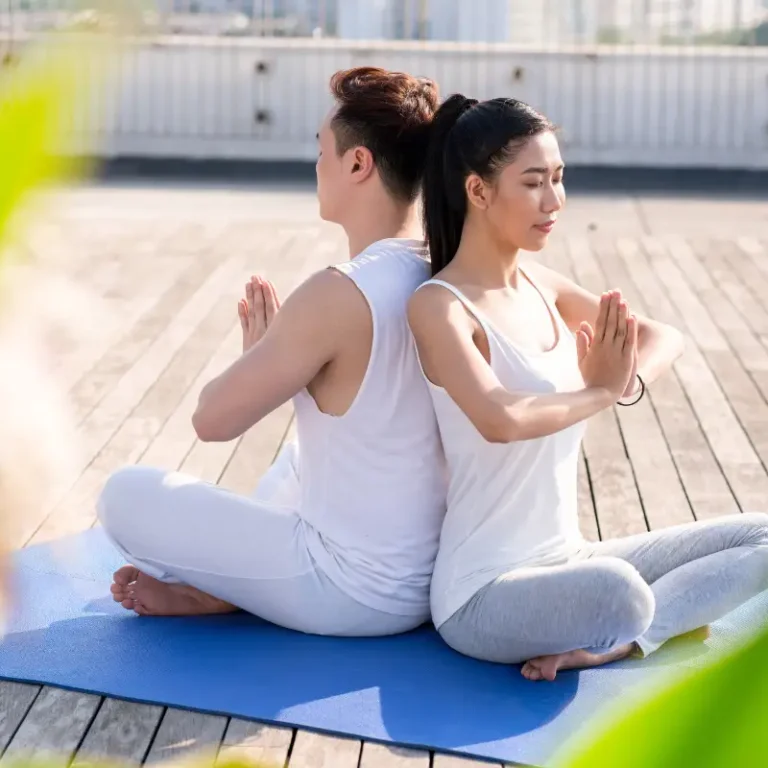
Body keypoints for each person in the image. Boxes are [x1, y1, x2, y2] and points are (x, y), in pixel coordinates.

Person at [407, 93, 768, 681]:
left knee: (763, 537)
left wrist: (620, 381)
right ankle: (628, 626)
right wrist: (597, 393)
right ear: (477, 191)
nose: (554, 201)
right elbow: (498, 418)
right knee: (620, 592)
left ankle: (624, 641)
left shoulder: (540, 284)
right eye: (532, 183)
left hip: (568, 556)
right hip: (482, 593)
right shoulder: (440, 307)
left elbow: (661, 334)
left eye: (558, 178)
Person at [96, 66, 447, 637]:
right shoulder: (445, 270)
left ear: (358, 164)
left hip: (351, 593)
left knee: (121, 494)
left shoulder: (339, 291)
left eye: (323, 151)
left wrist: (256, 359)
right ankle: (220, 588)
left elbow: (211, 421)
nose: (316, 165)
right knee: (299, 456)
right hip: (426, 581)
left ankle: (222, 590)